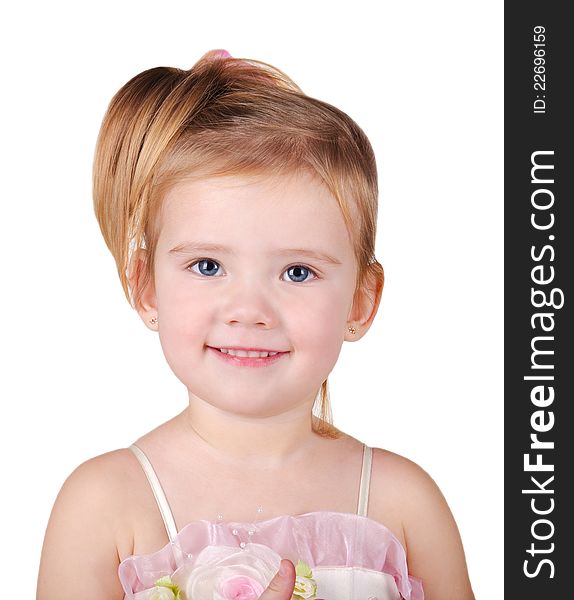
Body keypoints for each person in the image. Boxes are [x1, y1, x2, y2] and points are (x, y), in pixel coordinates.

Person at [37, 49, 475, 600]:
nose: (249, 310)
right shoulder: (104, 506)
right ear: (147, 285)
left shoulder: (404, 505)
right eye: (208, 266)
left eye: (297, 271)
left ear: (361, 303)